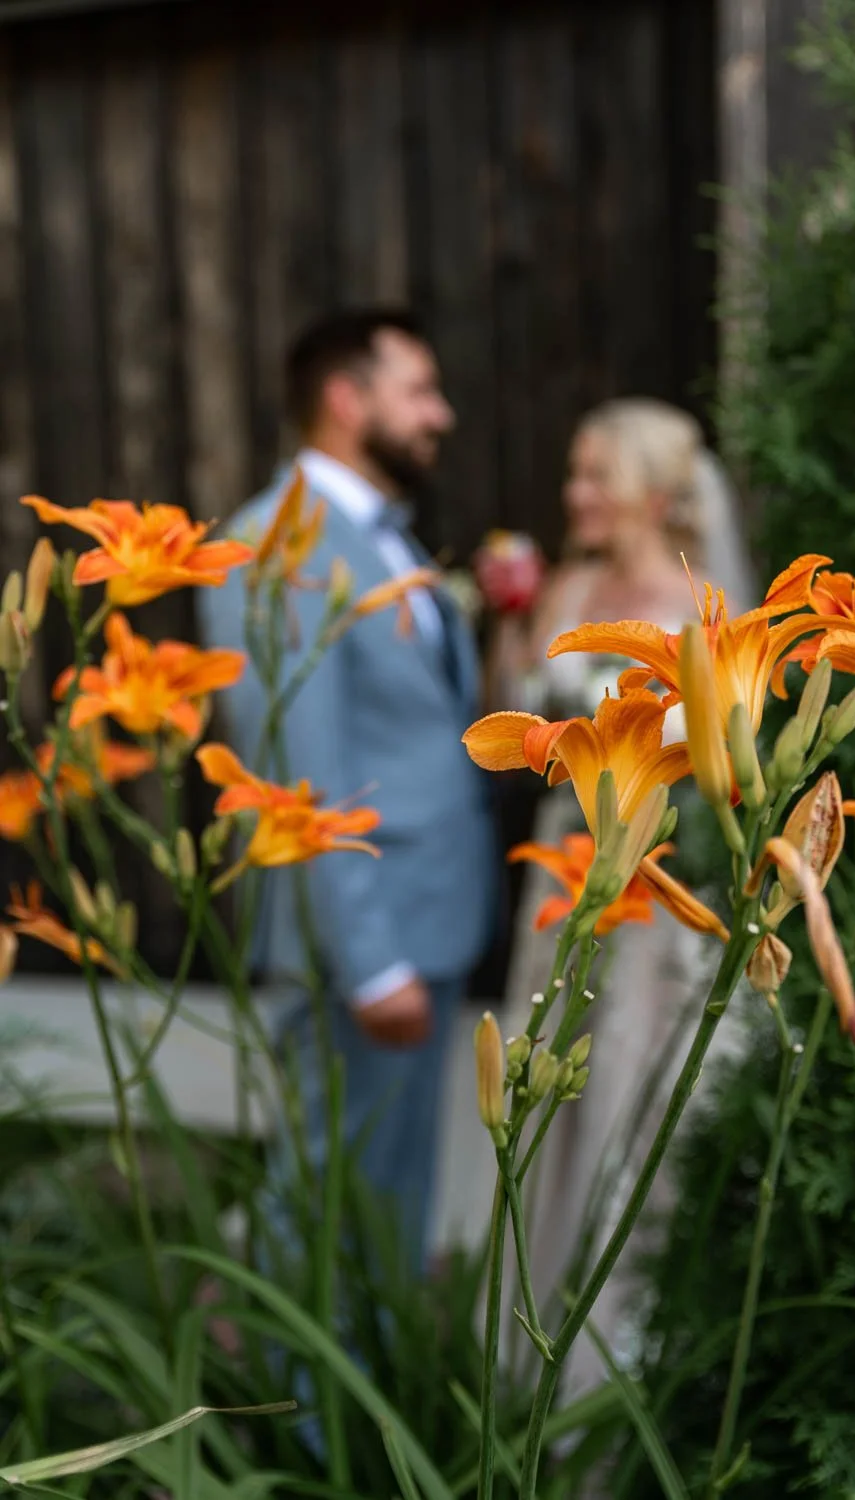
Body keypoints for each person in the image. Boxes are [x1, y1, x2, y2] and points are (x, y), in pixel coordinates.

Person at [197, 309, 496, 1276]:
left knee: (389, 1196)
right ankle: (301, 1421)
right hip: (363, 941)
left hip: (426, 914)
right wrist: (369, 963)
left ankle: (372, 1404)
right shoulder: (280, 547)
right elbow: (298, 769)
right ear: (344, 398)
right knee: (331, 1195)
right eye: (418, 389)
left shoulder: (382, 538)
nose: (440, 414)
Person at [481, 398, 754, 1407]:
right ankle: (531, 1362)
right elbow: (510, 716)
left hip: (659, 875)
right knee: (553, 1091)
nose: (572, 494)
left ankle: (623, 1367)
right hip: (567, 874)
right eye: (572, 473)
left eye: (593, 475)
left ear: (651, 486)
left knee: (634, 1101)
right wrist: (511, 618)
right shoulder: (570, 583)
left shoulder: (702, 601)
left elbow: (729, 756)